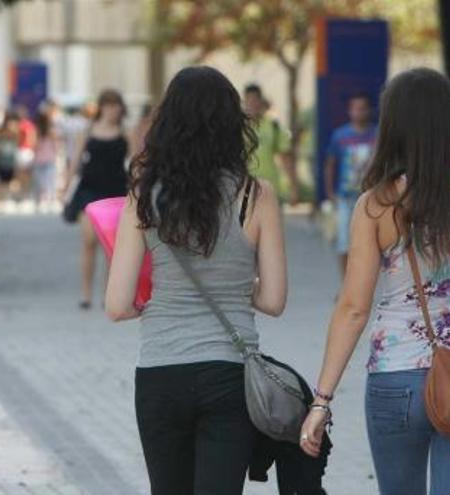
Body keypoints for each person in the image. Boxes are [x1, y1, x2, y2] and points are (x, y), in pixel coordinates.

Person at [299, 68, 450, 495]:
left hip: (395, 373)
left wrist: (322, 400)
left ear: (392, 128)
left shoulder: (375, 205)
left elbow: (353, 308)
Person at [105, 66, 288, 495]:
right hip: (229, 374)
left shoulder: (143, 195)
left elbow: (116, 305)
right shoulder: (255, 195)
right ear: (232, 125)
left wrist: (152, 305)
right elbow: (275, 299)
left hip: (160, 371)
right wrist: (236, 288)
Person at [61, 89, 129, 310]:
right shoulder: (87, 131)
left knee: (111, 246)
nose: (112, 109)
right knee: (89, 241)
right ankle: (86, 293)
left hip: (116, 190)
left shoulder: (125, 132)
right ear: (101, 107)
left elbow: (137, 162)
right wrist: (65, 187)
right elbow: (75, 162)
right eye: (108, 104)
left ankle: (108, 294)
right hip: (89, 190)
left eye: (116, 104)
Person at [324, 93, 377, 275]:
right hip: (345, 197)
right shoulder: (340, 135)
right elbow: (330, 164)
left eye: (362, 108)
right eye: (355, 108)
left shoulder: (377, 135)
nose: (359, 112)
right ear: (349, 110)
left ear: (369, 110)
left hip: (372, 198)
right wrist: (330, 192)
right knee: (343, 244)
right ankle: (346, 285)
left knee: (370, 244)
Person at [244, 84, 298, 203]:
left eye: (254, 100)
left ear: (260, 101)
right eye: (248, 100)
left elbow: (285, 158)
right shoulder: (238, 127)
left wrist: (293, 188)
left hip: (270, 188)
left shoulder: (273, 126)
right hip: (245, 191)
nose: (251, 104)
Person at [31, 108, 60, 211]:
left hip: (39, 159)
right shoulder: (52, 132)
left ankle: (38, 202)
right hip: (50, 159)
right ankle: (50, 201)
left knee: (38, 182)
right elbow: (56, 146)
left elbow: (34, 146)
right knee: (50, 181)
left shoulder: (36, 131)